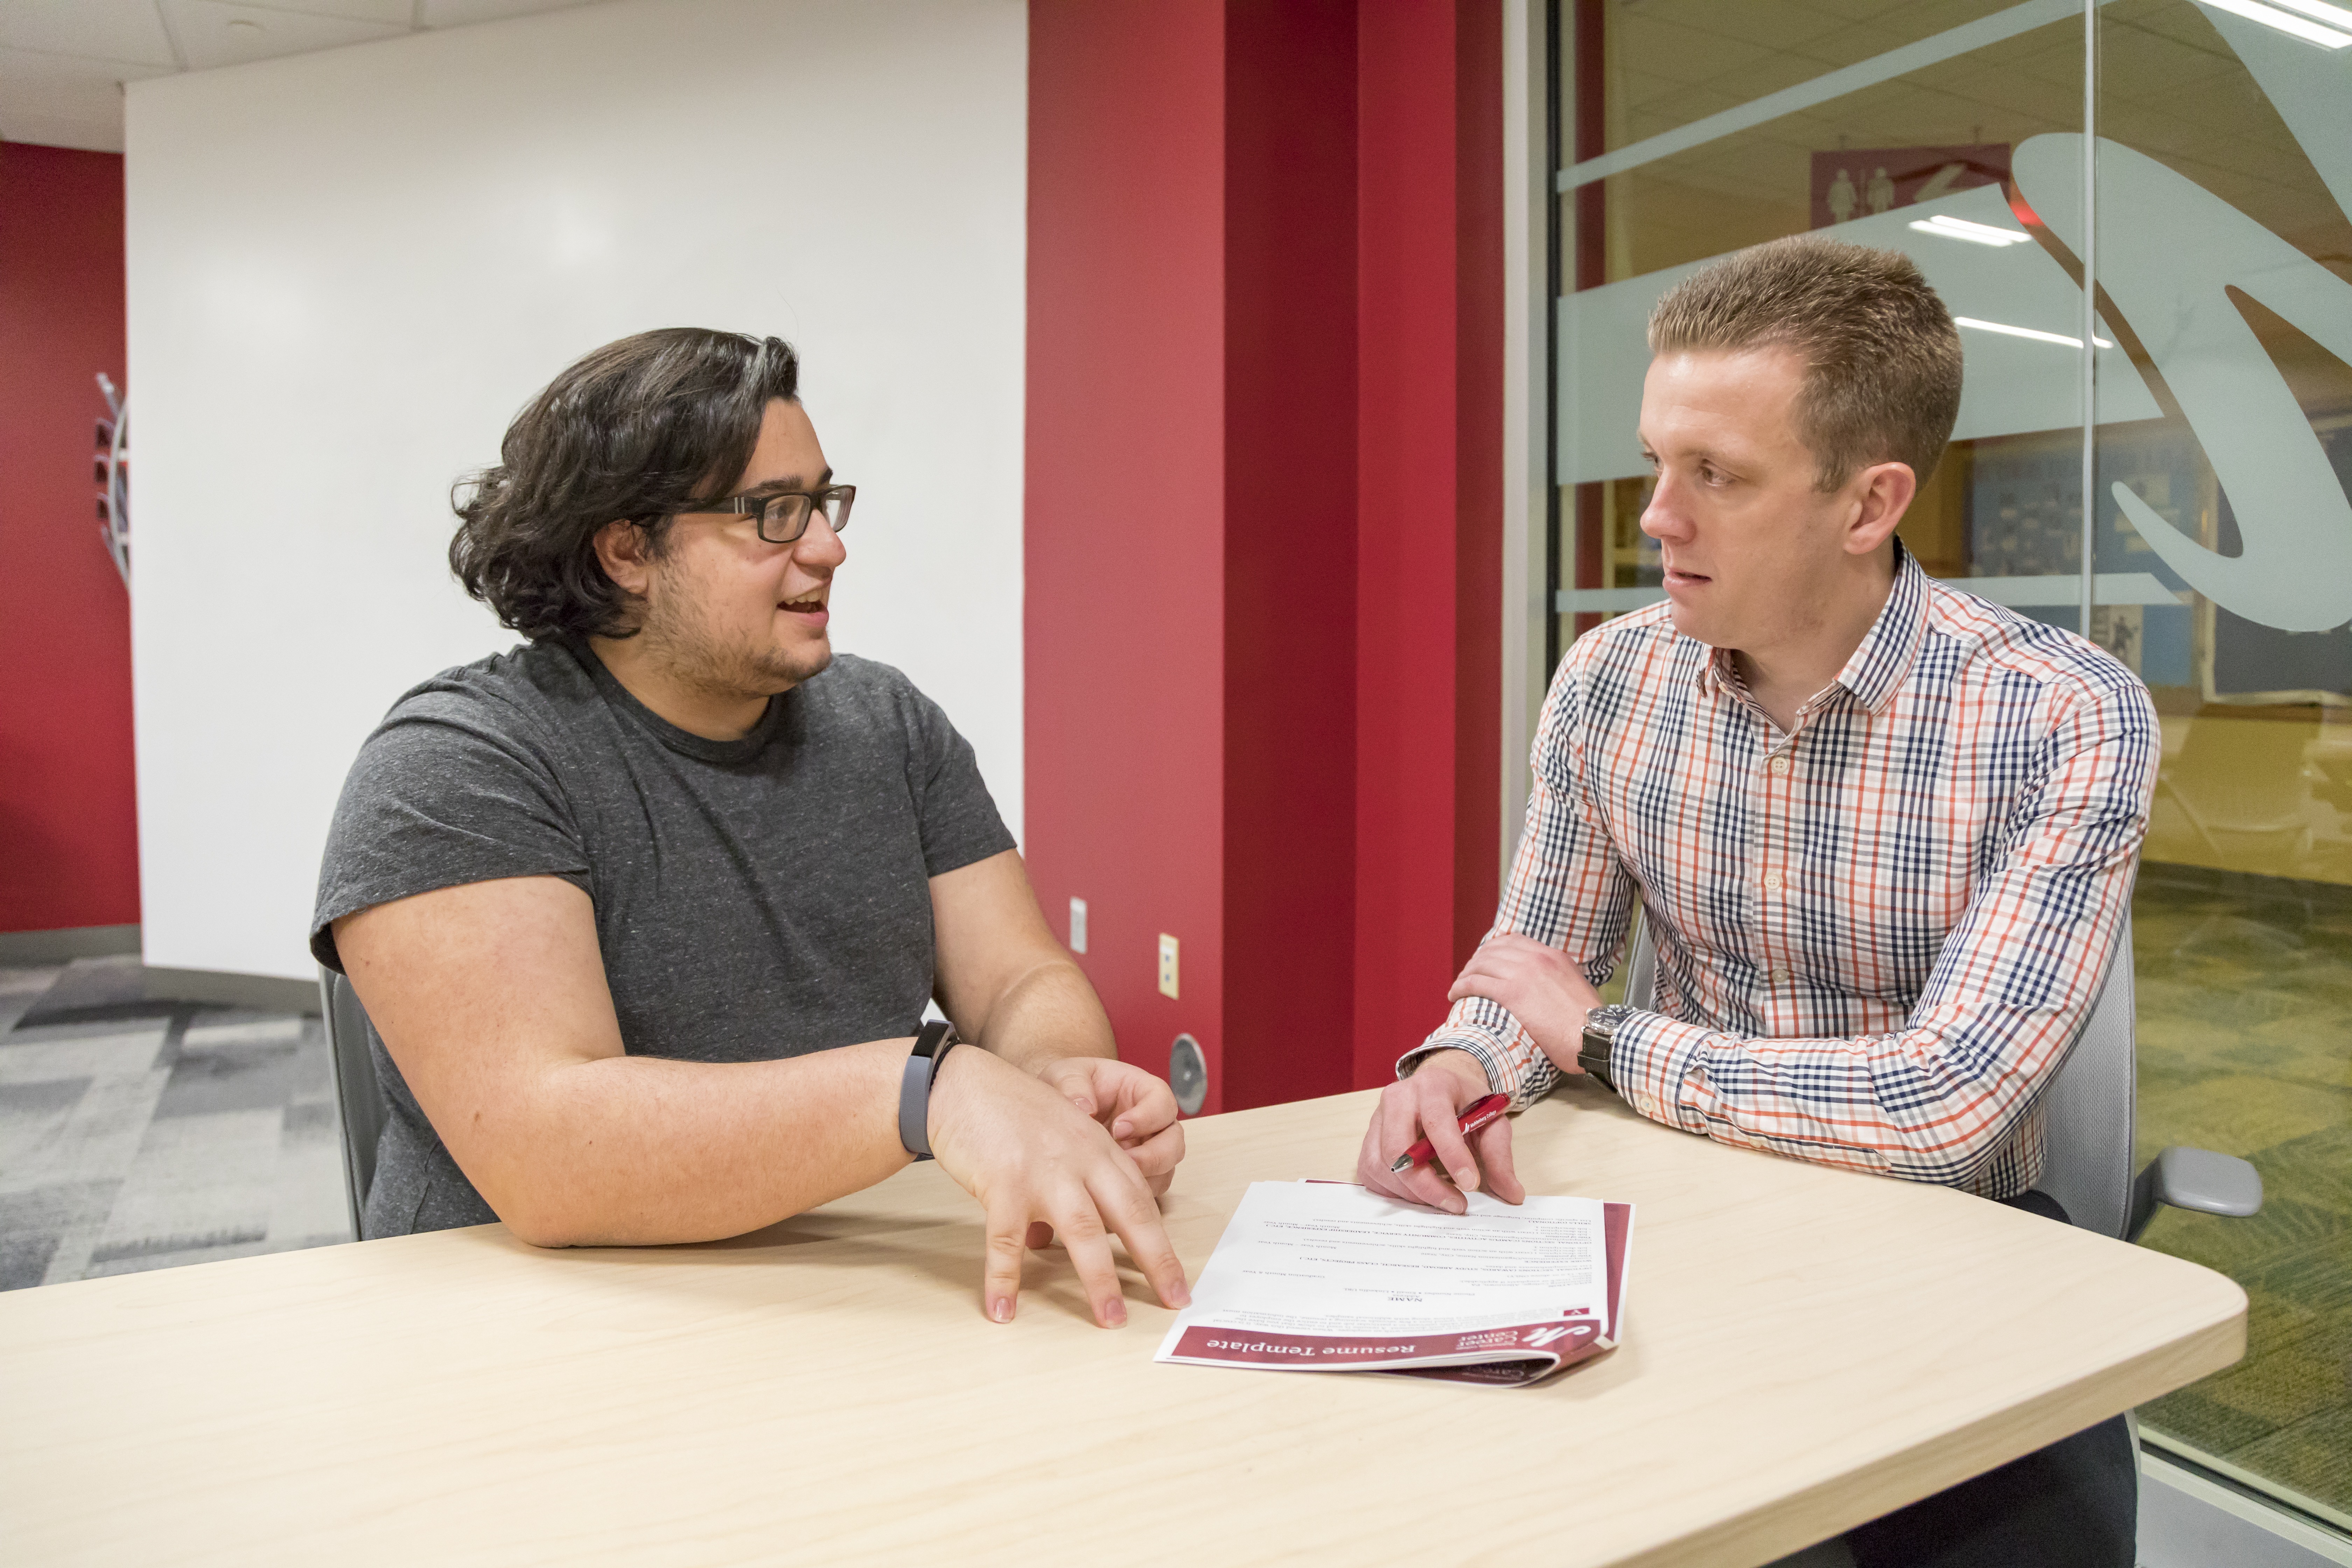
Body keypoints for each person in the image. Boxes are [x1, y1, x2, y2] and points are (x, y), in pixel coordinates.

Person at [1355, 237, 2154, 1567]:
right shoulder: (1612, 677)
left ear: (1867, 502)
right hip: (1699, 1223)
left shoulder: (2059, 714)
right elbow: (1534, 966)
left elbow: (1944, 1105)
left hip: (1966, 1260)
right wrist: (1456, 1066)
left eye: (1715, 475)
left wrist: (1603, 1041)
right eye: (1659, 459)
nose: (1654, 515)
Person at [314, 328, 1190, 1332]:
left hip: (846, 1298)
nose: (827, 545)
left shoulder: (889, 725)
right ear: (628, 550)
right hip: (531, 1335)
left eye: (822, 502)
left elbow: (1019, 981)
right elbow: (552, 1158)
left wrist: (1052, 1085)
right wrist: (929, 1094)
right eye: (773, 514)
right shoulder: (458, 762)